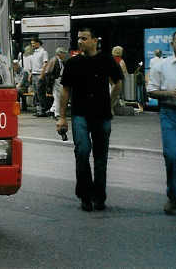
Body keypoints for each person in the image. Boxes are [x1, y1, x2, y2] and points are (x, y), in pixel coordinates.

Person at [56, 26, 124, 212]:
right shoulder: (73, 63)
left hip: (102, 115)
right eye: (79, 38)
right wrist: (62, 117)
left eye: (84, 38)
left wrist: (110, 104)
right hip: (80, 115)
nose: (80, 41)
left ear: (95, 40)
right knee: (83, 151)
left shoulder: (106, 60)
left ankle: (99, 197)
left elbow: (117, 82)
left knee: (101, 158)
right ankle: (85, 195)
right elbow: (65, 91)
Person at [146, 27, 176, 215]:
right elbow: (151, 90)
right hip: (170, 114)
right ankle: (175, 195)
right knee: (172, 156)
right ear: (172, 44)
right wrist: (170, 93)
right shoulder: (160, 66)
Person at [43, 47, 67, 117]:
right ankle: (57, 113)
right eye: (63, 53)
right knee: (57, 97)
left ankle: (52, 110)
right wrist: (50, 82)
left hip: (59, 80)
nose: (64, 55)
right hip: (56, 80)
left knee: (58, 96)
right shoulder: (54, 60)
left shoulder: (59, 60)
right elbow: (48, 72)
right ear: (60, 53)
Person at [28, 38, 49, 117]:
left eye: (33, 43)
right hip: (34, 74)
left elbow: (45, 63)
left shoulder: (43, 52)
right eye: (32, 43)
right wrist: (30, 74)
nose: (32, 45)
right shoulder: (34, 53)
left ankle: (43, 110)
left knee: (40, 92)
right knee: (36, 93)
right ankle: (38, 110)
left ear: (38, 43)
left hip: (39, 74)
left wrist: (42, 75)